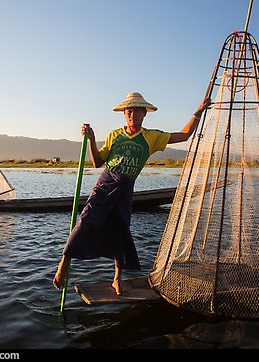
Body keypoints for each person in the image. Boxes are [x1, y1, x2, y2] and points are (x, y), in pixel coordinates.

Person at [52, 92, 211, 296]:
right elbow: (97, 162)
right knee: (86, 220)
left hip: (126, 187)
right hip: (106, 182)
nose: (132, 115)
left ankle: (117, 279)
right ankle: (64, 261)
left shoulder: (151, 137)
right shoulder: (115, 135)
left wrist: (198, 111)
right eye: (128, 111)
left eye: (136, 111)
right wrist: (91, 139)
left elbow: (184, 136)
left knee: (121, 231)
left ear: (144, 114)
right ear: (124, 114)